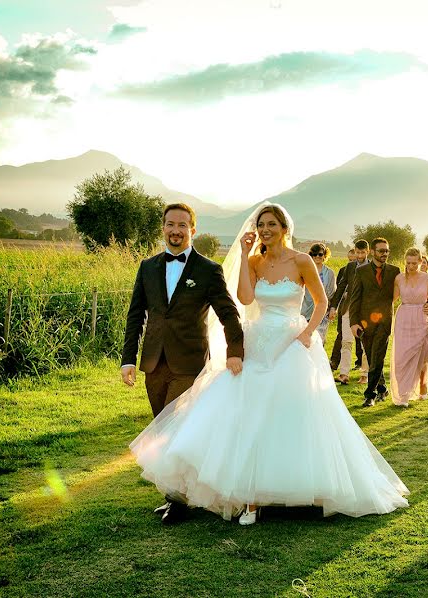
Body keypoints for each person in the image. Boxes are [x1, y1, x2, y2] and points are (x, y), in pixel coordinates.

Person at [130, 203, 409, 524]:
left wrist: (306, 333)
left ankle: (304, 488)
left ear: (284, 228)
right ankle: (249, 498)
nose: (266, 229)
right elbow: (245, 300)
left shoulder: (302, 261)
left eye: (272, 224)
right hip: (258, 340)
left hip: (292, 341)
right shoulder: (255, 261)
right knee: (246, 414)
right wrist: (247, 254)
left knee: (294, 413)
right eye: (262, 224)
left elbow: (322, 302)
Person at [121, 202, 245, 524]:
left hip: (189, 364)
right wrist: (127, 360)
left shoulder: (208, 270)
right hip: (153, 362)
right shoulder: (147, 267)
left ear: (193, 229)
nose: (176, 230)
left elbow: (228, 313)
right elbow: (136, 315)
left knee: (177, 430)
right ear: (163, 228)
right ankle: (174, 494)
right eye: (170, 224)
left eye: (182, 225)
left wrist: (235, 351)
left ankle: (178, 503)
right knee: (163, 432)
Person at [347, 238, 400, 407]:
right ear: (373, 252)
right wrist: (353, 322)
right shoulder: (361, 271)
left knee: (377, 356)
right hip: (364, 322)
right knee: (371, 357)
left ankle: (370, 394)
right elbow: (355, 298)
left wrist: (425, 302)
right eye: (381, 251)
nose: (384, 254)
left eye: (387, 251)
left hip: (384, 322)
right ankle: (383, 387)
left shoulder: (394, 271)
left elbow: (404, 290)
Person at [390, 248, 428, 407]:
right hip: (403, 317)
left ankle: (421, 388)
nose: (411, 266)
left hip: (421, 318)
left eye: (414, 263)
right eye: (408, 263)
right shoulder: (399, 278)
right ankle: (403, 394)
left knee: (421, 356)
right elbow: (392, 299)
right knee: (401, 356)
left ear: (420, 261)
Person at [328, 240, 369, 384]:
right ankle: (344, 374)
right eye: (357, 252)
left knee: (365, 343)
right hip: (348, 309)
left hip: (365, 311)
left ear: (367, 252)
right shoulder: (350, 267)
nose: (359, 255)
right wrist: (333, 306)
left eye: (362, 252)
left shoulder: (372, 267)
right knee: (346, 341)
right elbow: (341, 287)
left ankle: (364, 375)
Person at [301, 242, 336, 343]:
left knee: (318, 341)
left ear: (325, 255)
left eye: (320, 254)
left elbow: (331, 292)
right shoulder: (304, 271)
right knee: (304, 342)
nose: (317, 256)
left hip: (321, 312)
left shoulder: (329, 273)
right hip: (304, 311)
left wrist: (330, 308)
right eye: (314, 254)